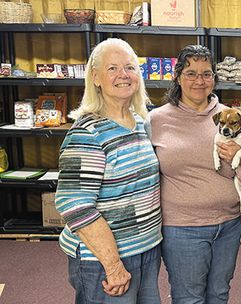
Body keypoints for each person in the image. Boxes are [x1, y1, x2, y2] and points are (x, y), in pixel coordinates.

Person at [146, 44, 241, 304]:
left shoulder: (228, 115)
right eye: (191, 73)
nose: (199, 81)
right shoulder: (156, 120)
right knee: (189, 298)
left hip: (228, 226)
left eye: (207, 74)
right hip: (182, 228)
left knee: (219, 294)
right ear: (178, 77)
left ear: (214, 78)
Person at [55, 38, 162, 303]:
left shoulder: (139, 122)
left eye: (130, 67)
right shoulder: (87, 133)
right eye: (112, 68)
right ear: (95, 77)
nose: (123, 75)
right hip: (104, 261)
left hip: (145, 250)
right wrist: (113, 266)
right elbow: (75, 206)